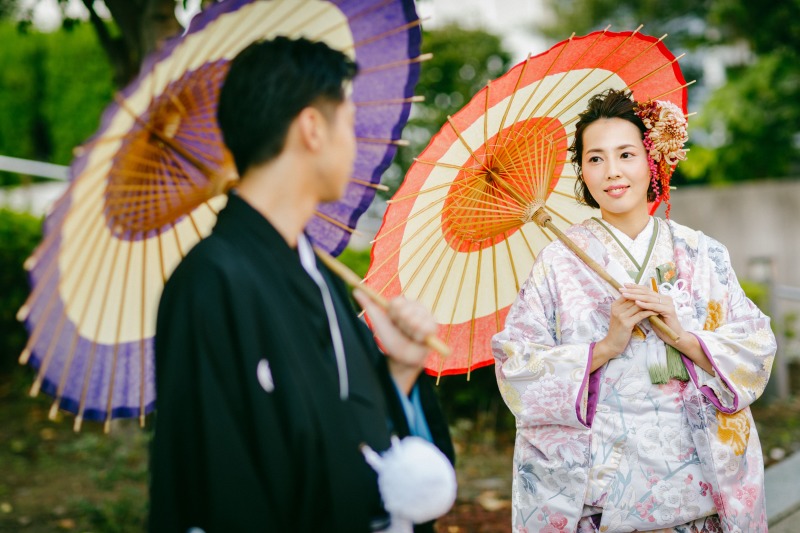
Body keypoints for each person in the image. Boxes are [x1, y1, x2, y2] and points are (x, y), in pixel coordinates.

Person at [148, 36, 454, 532]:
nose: (353, 143)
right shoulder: (209, 283)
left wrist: (398, 370)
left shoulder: (312, 269)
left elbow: (347, 433)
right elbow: (214, 481)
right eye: (349, 124)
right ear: (312, 127)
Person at [492, 88, 775, 532]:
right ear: (582, 172)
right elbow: (516, 367)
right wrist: (605, 347)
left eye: (626, 154)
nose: (612, 172)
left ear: (651, 160)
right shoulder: (559, 263)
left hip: (698, 486)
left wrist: (684, 337)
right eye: (595, 159)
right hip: (606, 494)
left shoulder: (701, 253)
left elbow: (755, 347)